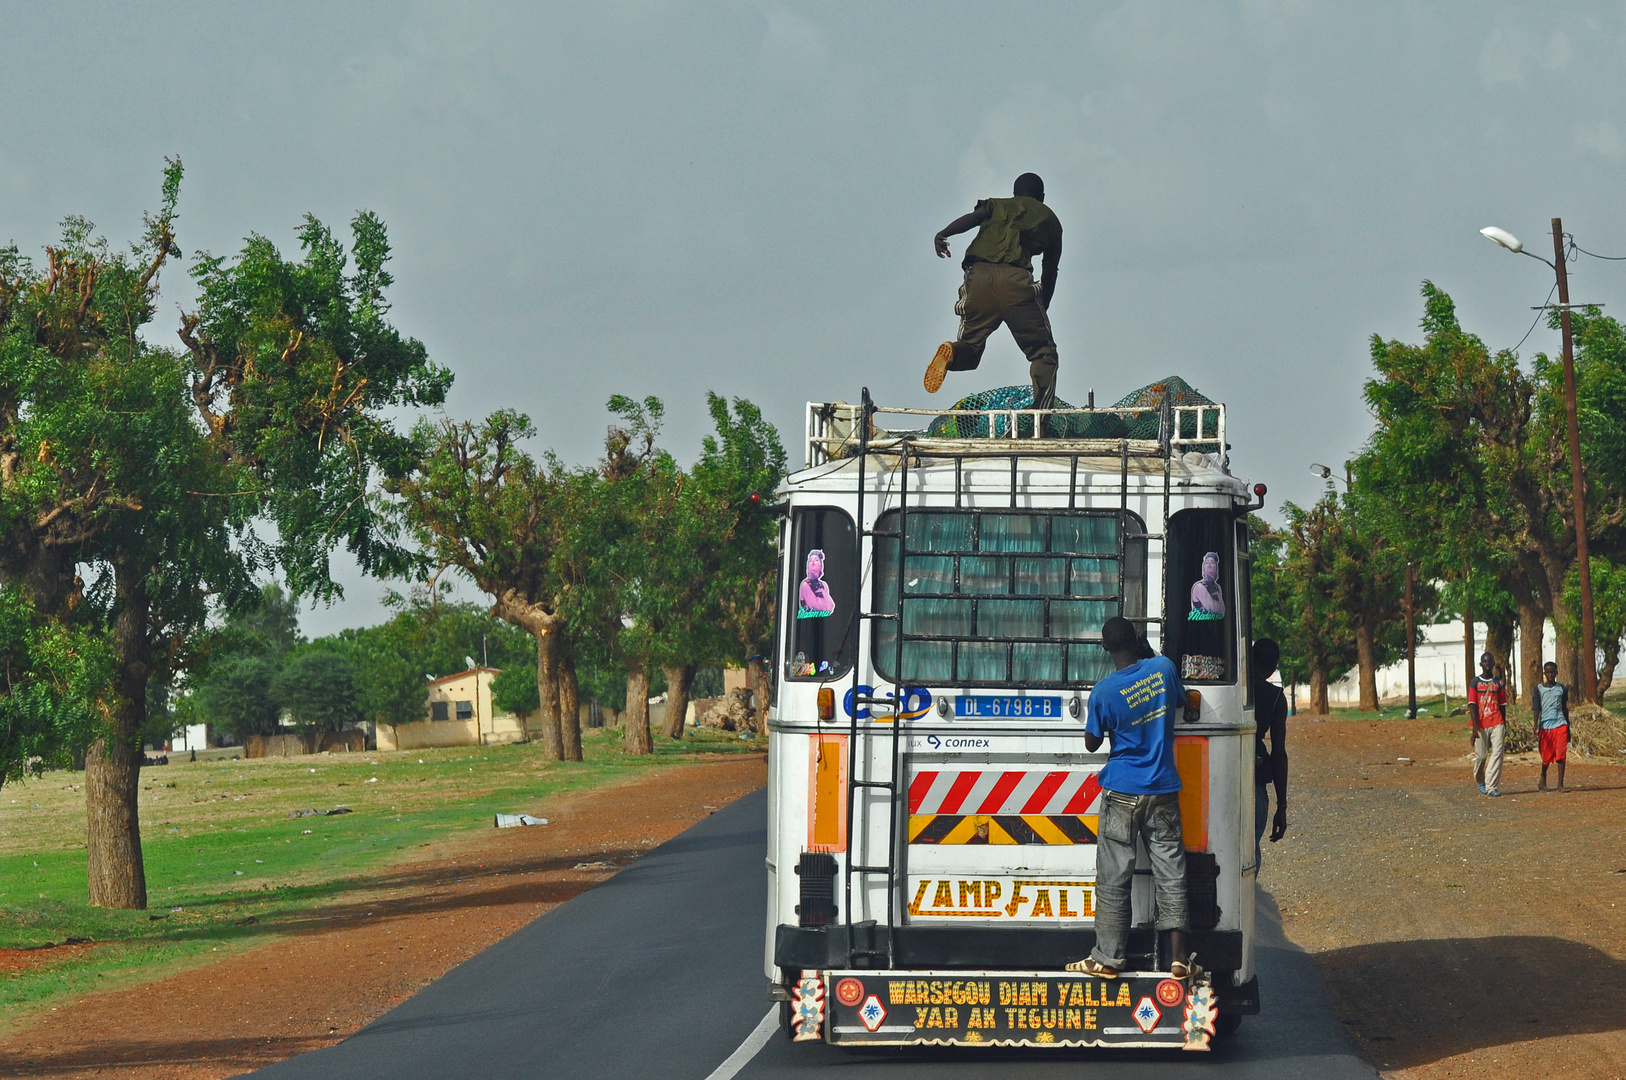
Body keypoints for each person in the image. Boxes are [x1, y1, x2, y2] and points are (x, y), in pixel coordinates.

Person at [1066, 617, 1192, 979]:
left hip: (1121, 793)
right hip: (1163, 790)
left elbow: (1092, 743)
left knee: (1114, 878)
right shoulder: (1163, 668)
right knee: (1171, 873)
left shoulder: (1104, 691)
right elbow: (1180, 700)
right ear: (1138, 640)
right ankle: (1179, 959)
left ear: (1106, 648)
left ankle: (1107, 959)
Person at [926, 172, 1063, 409]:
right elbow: (1050, 270)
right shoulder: (1050, 220)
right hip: (1016, 285)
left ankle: (952, 353)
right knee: (1044, 354)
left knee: (970, 348)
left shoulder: (997, 206)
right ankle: (1039, 416)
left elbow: (973, 218)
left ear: (1014, 193)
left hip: (977, 278)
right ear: (1041, 197)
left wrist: (943, 234)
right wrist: (1042, 307)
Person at [1250, 639, 1289, 871]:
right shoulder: (1275, 697)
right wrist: (1281, 806)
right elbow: (1279, 754)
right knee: (1250, 852)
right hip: (1255, 781)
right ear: (1274, 668)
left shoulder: (1233, 688)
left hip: (1219, 781)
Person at [1467, 651, 1507, 798]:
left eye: (1490, 661)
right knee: (1481, 757)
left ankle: (1491, 786)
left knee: (1497, 753)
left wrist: (1504, 724)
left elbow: (1502, 705)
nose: (1488, 663)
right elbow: (1472, 704)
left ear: (1493, 663)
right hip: (1481, 724)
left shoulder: (1499, 683)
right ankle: (1480, 780)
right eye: (1485, 661)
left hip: (1497, 722)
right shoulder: (1475, 682)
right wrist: (1475, 726)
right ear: (1481, 664)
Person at [1531, 661, 1570, 792]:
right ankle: (1543, 776)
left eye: (1552, 672)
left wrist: (1568, 727)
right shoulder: (1539, 689)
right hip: (1546, 726)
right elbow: (1537, 708)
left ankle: (1560, 784)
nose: (1550, 674)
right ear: (1544, 673)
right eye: (1548, 672)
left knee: (1561, 754)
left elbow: (1565, 708)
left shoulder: (1562, 689)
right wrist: (1536, 724)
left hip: (1560, 724)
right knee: (1546, 755)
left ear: (1556, 673)